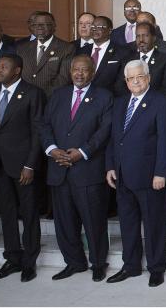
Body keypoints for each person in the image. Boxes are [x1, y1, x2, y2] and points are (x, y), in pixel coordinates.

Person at [41, 56, 113, 282]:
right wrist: (52, 149)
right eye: (76, 70)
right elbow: (44, 125)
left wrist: (81, 152)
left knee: (93, 221)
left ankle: (98, 263)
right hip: (59, 167)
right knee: (64, 222)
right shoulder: (58, 95)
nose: (80, 74)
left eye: (85, 70)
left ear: (93, 73)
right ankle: (74, 262)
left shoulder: (104, 96)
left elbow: (105, 130)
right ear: (70, 71)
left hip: (87, 168)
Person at [105, 60, 166, 287]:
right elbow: (114, 139)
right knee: (128, 223)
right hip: (123, 176)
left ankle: (156, 268)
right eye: (131, 78)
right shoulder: (120, 103)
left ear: (148, 78)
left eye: (140, 77)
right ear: (125, 82)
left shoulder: (161, 102)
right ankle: (131, 265)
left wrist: (161, 172)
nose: (135, 81)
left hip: (149, 177)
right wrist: (110, 166)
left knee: (154, 225)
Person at [0, 53, 45, 282]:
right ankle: (13, 258)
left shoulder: (33, 93)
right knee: (6, 214)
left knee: (28, 213)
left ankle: (29, 261)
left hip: (23, 165)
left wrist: (30, 164)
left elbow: (38, 132)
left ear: (17, 70)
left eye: (4, 67)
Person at [17, 11, 75, 97]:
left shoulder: (67, 48)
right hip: (24, 98)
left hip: (50, 98)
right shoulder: (22, 48)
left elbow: (64, 78)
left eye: (44, 24)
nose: (39, 28)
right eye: (35, 25)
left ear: (54, 26)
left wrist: (40, 96)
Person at [78, 16, 131, 93]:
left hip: (110, 98)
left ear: (109, 31)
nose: (95, 29)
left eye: (99, 27)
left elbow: (121, 83)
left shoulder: (121, 52)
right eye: (93, 26)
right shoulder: (82, 51)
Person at [122, 22, 166, 96]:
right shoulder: (127, 59)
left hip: (155, 103)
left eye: (145, 35)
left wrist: (145, 100)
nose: (141, 39)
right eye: (138, 36)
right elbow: (120, 86)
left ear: (154, 38)